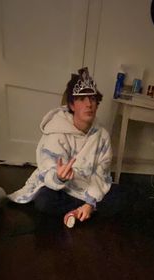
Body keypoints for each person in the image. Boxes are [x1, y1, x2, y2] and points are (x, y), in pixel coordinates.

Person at [8, 67, 113, 228]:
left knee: (126, 196)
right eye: (82, 99)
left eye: (92, 99)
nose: (89, 104)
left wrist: (90, 203)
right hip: (60, 189)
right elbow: (47, 168)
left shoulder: (102, 136)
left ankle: (84, 210)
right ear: (71, 105)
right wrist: (60, 177)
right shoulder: (56, 130)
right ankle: (84, 211)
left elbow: (102, 173)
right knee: (44, 201)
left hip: (87, 187)